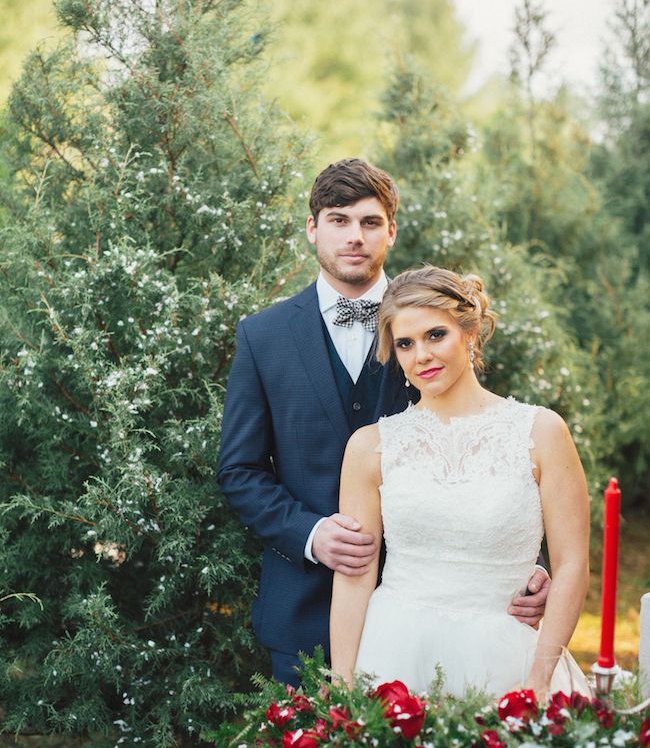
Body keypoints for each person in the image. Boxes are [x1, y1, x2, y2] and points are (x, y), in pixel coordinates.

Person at [218, 160, 550, 688]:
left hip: (438, 618)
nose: (355, 236)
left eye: (370, 222)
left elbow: (495, 448)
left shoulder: (436, 326)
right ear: (312, 228)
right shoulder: (264, 337)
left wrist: (528, 566)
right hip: (302, 613)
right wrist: (311, 534)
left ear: (391, 231)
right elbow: (239, 469)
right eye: (338, 220)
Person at [330, 266, 590, 699]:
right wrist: (342, 683)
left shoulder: (541, 432)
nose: (421, 357)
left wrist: (540, 679)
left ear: (469, 332)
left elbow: (572, 566)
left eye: (436, 335)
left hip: (509, 663)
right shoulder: (370, 447)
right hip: (392, 654)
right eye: (405, 344)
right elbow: (355, 576)